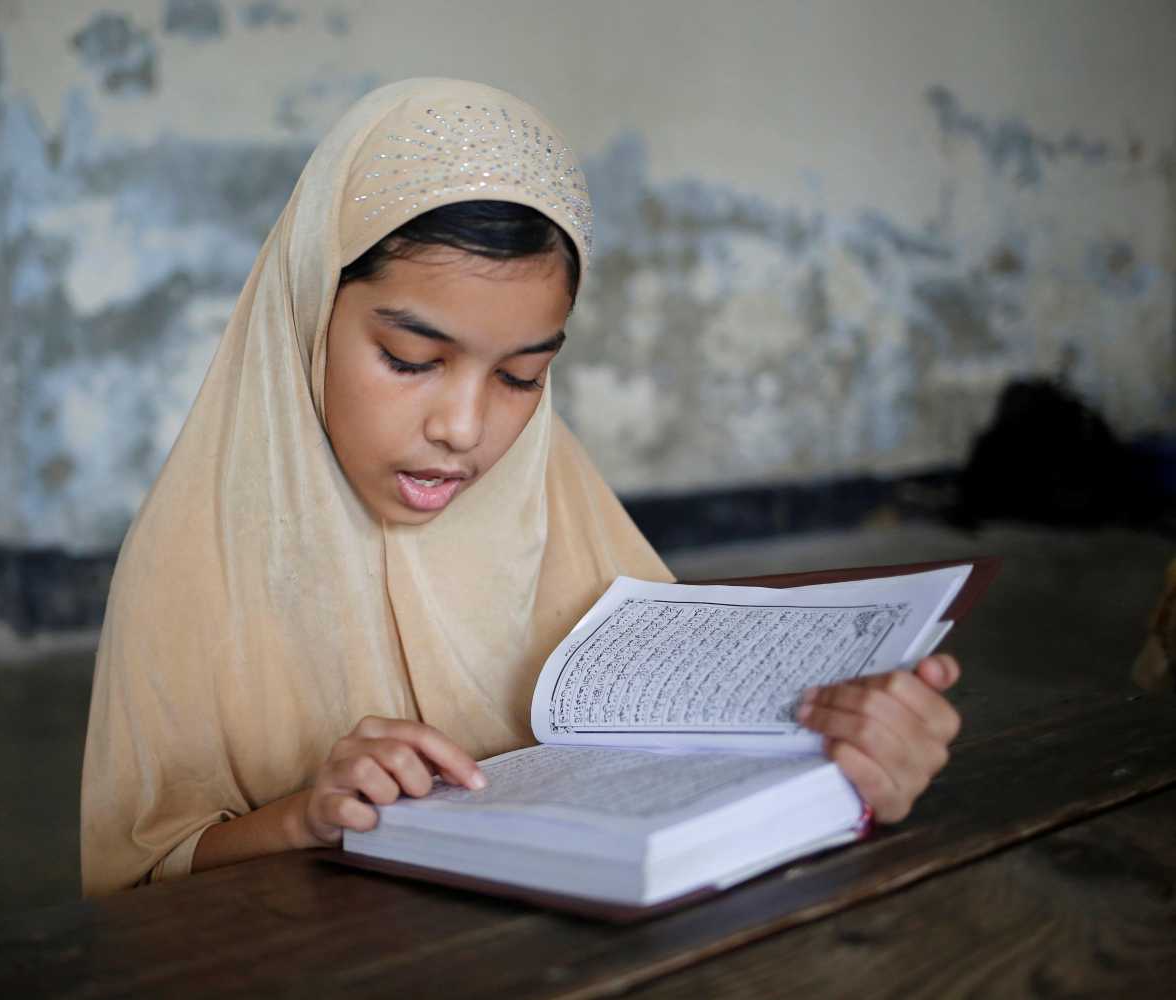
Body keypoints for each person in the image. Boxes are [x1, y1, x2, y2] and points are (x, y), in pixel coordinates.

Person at [80, 78, 962, 896]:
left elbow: (702, 769)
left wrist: (853, 765)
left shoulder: (566, 522)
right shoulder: (191, 569)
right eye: (410, 360)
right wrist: (306, 816)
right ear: (310, 312)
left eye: (521, 377)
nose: (464, 429)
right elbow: (135, 881)